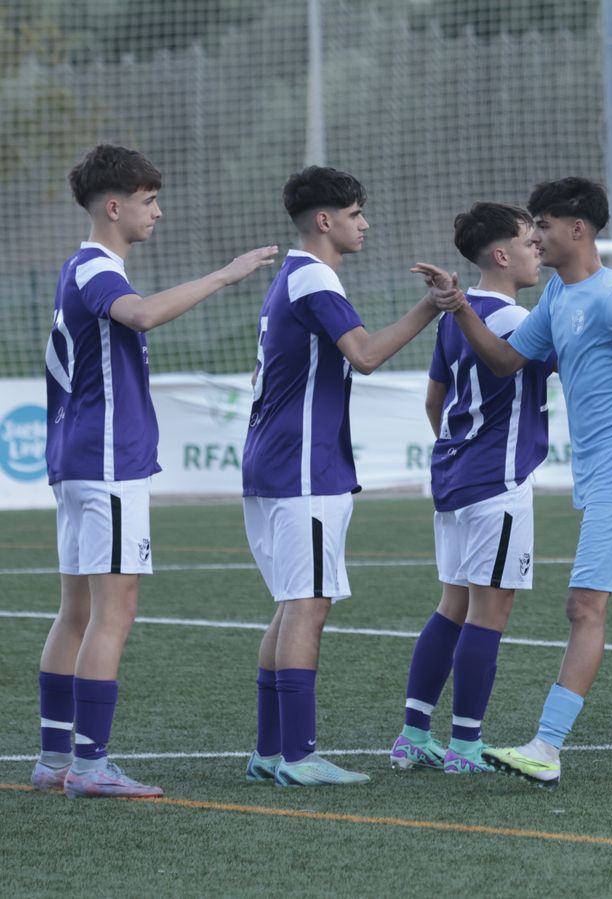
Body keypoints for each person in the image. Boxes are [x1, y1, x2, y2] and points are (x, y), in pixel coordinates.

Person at [441, 177, 612, 785]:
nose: (535, 237)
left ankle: (546, 746)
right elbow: (506, 360)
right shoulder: (557, 297)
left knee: (582, 606)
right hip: (606, 478)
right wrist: (461, 308)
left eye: (543, 225)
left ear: (579, 229)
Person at [36, 144, 275, 797]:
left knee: (78, 610)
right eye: (148, 202)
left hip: (81, 459)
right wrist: (225, 275)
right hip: (106, 462)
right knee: (113, 609)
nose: (157, 213)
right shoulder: (97, 270)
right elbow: (140, 313)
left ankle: (57, 759)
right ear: (114, 207)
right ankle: (88, 765)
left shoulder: (77, 269)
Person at [243, 166, 451, 787]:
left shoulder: (293, 277)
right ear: (326, 221)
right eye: (357, 213)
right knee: (308, 605)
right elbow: (364, 355)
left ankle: (270, 750)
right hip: (301, 466)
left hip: (277, 460)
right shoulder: (313, 274)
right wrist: (433, 307)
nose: (366, 224)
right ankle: (298, 757)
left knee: (291, 606)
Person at [389, 202, 557, 775]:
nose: (540, 250)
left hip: (455, 478)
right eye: (531, 242)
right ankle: (464, 746)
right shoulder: (514, 322)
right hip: (497, 482)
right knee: (490, 610)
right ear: (502, 254)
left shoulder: (452, 317)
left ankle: (414, 735)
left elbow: (435, 401)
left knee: (452, 605)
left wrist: (459, 450)